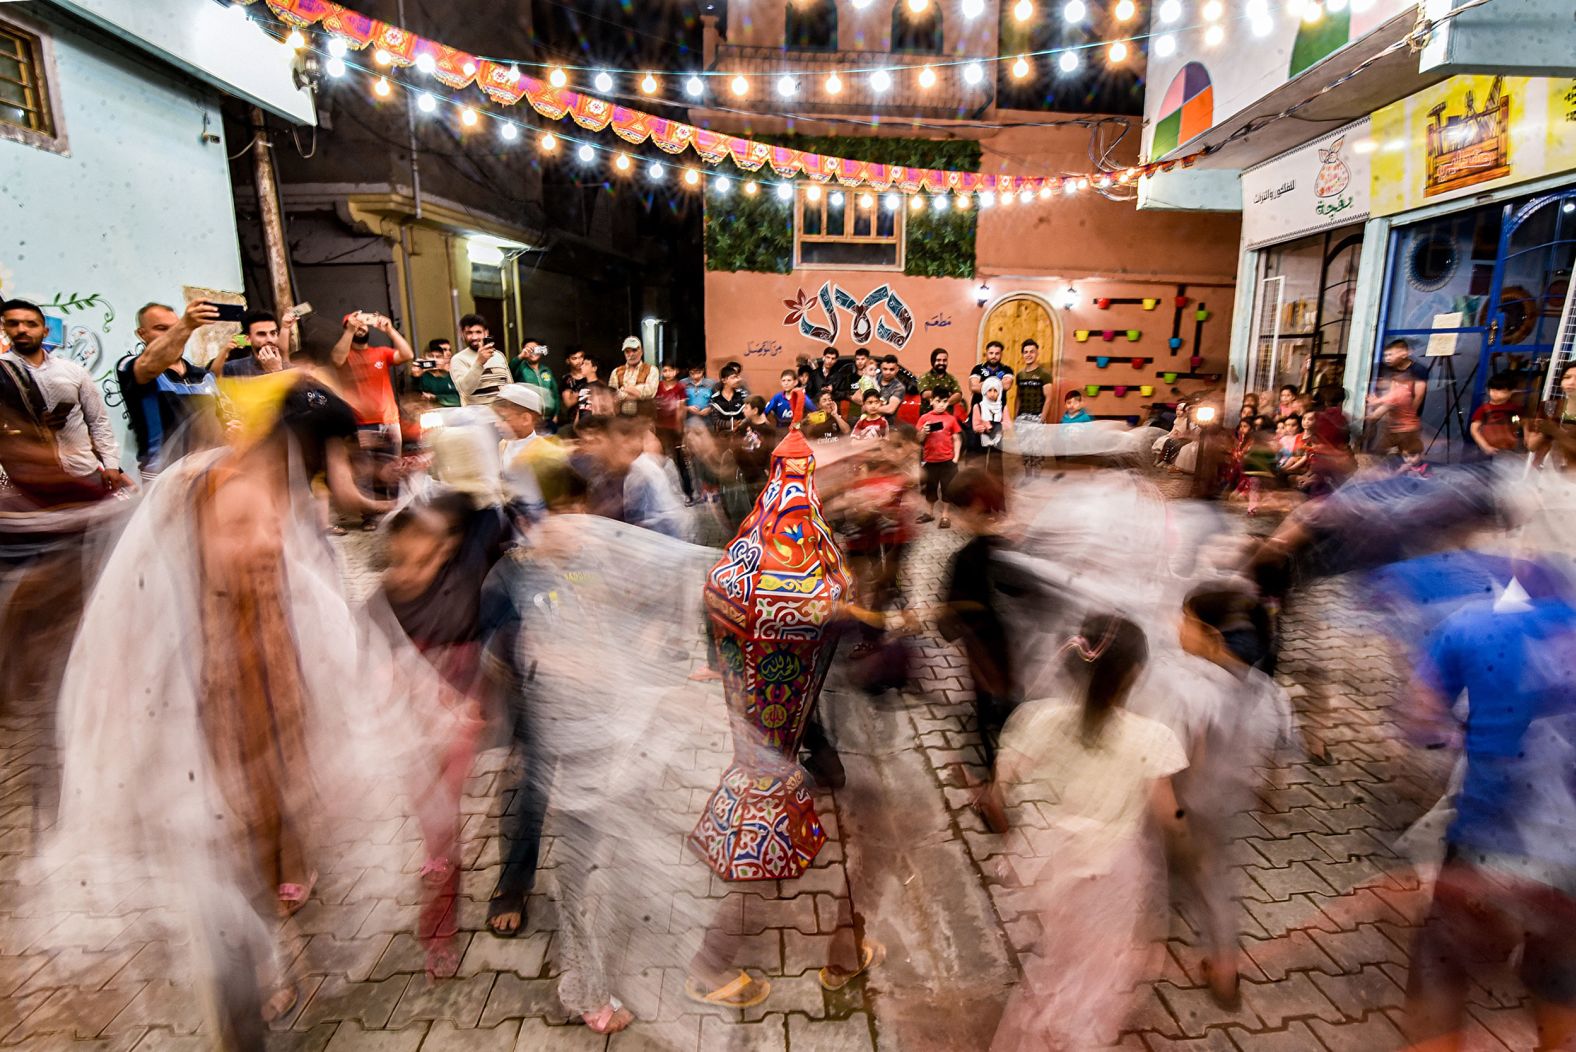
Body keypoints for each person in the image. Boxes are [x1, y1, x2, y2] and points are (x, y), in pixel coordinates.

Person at [977, 614, 1192, 1051]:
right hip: (1107, 874)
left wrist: (1017, 841)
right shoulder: (1152, 739)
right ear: (1135, 673)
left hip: (1051, 865)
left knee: (1060, 954)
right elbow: (1171, 816)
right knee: (1091, 976)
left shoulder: (1035, 720)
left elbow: (994, 799)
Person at [1400, 579, 1576, 1051]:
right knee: (1560, 969)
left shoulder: (1475, 624)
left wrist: (1466, 736)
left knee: (1441, 959)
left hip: (1489, 842)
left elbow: (1419, 724)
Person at [1, 299, 129, 493]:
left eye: (31, 324)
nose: (22, 330)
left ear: (45, 331)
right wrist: (32, 425)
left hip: (86, 472)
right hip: (33, 482)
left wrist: (111, 465)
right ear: (5, 329)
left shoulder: (73, 371)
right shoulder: (3, 372)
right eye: (13, 323)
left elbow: (98, 422)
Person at [938, 468, 1014, 765]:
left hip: (985, 650)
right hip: (1015, 649)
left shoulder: (968, 556)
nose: (954, 519)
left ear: (977, 506)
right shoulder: (1013, 544)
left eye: (958, 510)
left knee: (988, 710)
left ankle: (993, 772)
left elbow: (952, 612)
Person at [118, 298, 224, 478]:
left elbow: (219, 421)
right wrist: (185, 325)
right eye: (161, 329)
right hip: (164, 477)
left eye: (175, 328)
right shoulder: (132, 366)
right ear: (142, 334)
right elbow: (148, 366)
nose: (174, 334)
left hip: (209, 474)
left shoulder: (203, 375)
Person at [331, 311, 413, 507]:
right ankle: (370, 515)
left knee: (394, 469)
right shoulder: (345, 354)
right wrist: (350, 330)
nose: (360, 327)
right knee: (365, 472)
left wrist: (390, 330)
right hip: (361, 423)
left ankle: (396, 509)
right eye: (355, 324)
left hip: (389, 421)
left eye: (363, 324)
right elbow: (336, 359)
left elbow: (407, 355)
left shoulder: (381, 352)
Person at [1367, 338, 1428, 457]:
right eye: (1385, 355)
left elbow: (1419, 395)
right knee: (1383, 445)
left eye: (1390, 354)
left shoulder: (1418, 370)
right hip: (1390, 417)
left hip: (1406, 419)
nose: (1387, 358)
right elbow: (1387, 393)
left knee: (1407, 450)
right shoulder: (1386, 368)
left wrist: (1409, 415)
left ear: (1405, 353)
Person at [916, 386, 962, 527]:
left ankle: (945, 516)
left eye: (945, 401)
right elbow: (918, 439)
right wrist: (924, 431)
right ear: (931, 401)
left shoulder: (951, 419)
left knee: (947, 489)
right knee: (930, 488)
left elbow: (957, 439)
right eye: (938, 401)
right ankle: (929, 513)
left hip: (947, 461)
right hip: (930, 460)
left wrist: (955, 459)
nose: (941, 404)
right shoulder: (924, 418)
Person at [653, 361, 694, 501]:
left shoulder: (680, 388)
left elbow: (681, 410)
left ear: (676, 371)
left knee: (681, 462)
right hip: (659, 430)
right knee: (659, 461)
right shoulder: (657, 387)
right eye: (664, 370)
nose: (667, 373)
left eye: (670, 370)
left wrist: (680, 429)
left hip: (675, 430)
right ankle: (662, 495)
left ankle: (688, 494)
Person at [450, 314, 511, 407]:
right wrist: (479, 362)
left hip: (503, 415)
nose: (474, 337)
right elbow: (465, 390)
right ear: (462, 335)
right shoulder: (458, 359)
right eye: (469, 333)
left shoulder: (498, 355)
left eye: (478, 332)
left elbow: (510, 386)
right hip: (476, 417)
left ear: (486, 333)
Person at [221, 310, 292, 378]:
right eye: (261, 334)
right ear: (248, 339)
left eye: (273, 333)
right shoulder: (233, 369)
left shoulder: (292, 370)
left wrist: (276, 371)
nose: (269, 339)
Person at [1469, 371, 1523, 458]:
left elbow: (1517, 423)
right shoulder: (1483, 409)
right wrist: (1485, 446)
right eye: (1492, 390)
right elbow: (1474, 429)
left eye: (1500, 391)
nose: (1495, 393)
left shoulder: (1514, 409)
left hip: (1509, 450)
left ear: (1510, 392)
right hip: (1488, 450)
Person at [510, 337, 561, 423]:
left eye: (535, 349)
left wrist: (556, 414)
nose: (532, 352)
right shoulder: (519, 368)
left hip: (549, 419)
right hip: (529, 419)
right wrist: (521, 357)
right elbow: (509, 370)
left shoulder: (546, 370)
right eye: (529, 349)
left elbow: (555, 393)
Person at [734, 396, 777, 496]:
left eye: (746, 408)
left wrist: (766, 468)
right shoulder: (743, 426)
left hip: (758, 470)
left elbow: (770, 450)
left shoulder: (768, 430)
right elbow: (736, 444)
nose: (743, 410)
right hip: (744, 468)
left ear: (755, 410)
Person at [969, 375, 1010, 478]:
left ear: (999, 392)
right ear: (985, 392)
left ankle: (995, 489)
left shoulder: (1002, 407)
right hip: (981, 441)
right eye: (989, 390)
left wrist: (996, 426)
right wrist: (986, 427)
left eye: (995, 391)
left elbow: (1007, 424)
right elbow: (976, 425)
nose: (992, 394)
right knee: (980, 464)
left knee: (995, 465)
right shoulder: (978, 406)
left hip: (997, 441)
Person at [609, 336, 657, 416]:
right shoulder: (616, 372)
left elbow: (649, 393)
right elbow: (612, 397)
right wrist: (636, 391)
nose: (631, 354)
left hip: (643, 419)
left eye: (634, 350)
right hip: (621, 419)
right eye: (627, 351)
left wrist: (624, 389)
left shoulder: (652, 370)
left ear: (641, 351)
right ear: (624, 353)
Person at [413, 339, 460, 408]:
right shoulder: (424, 375)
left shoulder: (457, 370)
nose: (448, 353)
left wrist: (437, 397)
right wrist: (415, 376)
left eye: (449, 350)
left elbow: (462, 397)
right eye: (444, 350)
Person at [1014, 339, 1053, 421]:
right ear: (1022, 354)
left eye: (1032, 352)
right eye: (1026, 352)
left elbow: (1048, 398)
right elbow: (1018, 398)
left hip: (1037, 418)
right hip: (1021, 417)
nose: (1028, 355)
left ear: (1037, 353)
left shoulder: (1044, 374)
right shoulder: (1020, 375)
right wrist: (1015, 417)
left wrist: (1042, 419)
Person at [708, 362, 747, 434]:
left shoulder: (742, 395)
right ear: (724, 380)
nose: (737, 380)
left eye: (737, 377)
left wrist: (739, 425)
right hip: (722, 436)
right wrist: (731, 424)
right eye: (733, 377)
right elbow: (715, 419)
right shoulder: (715, 399)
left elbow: (747, 415)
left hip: (741, 435)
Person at [875, 354, 907, 423]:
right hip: (866, 422)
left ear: (897, 369)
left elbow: (890, 409)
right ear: (881, 367)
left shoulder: (899, 387)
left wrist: (868, 407)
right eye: (885, 369)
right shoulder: (873, 378)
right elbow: (856, 397)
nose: (888, 372)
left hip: (886, 425)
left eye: (891, 369)